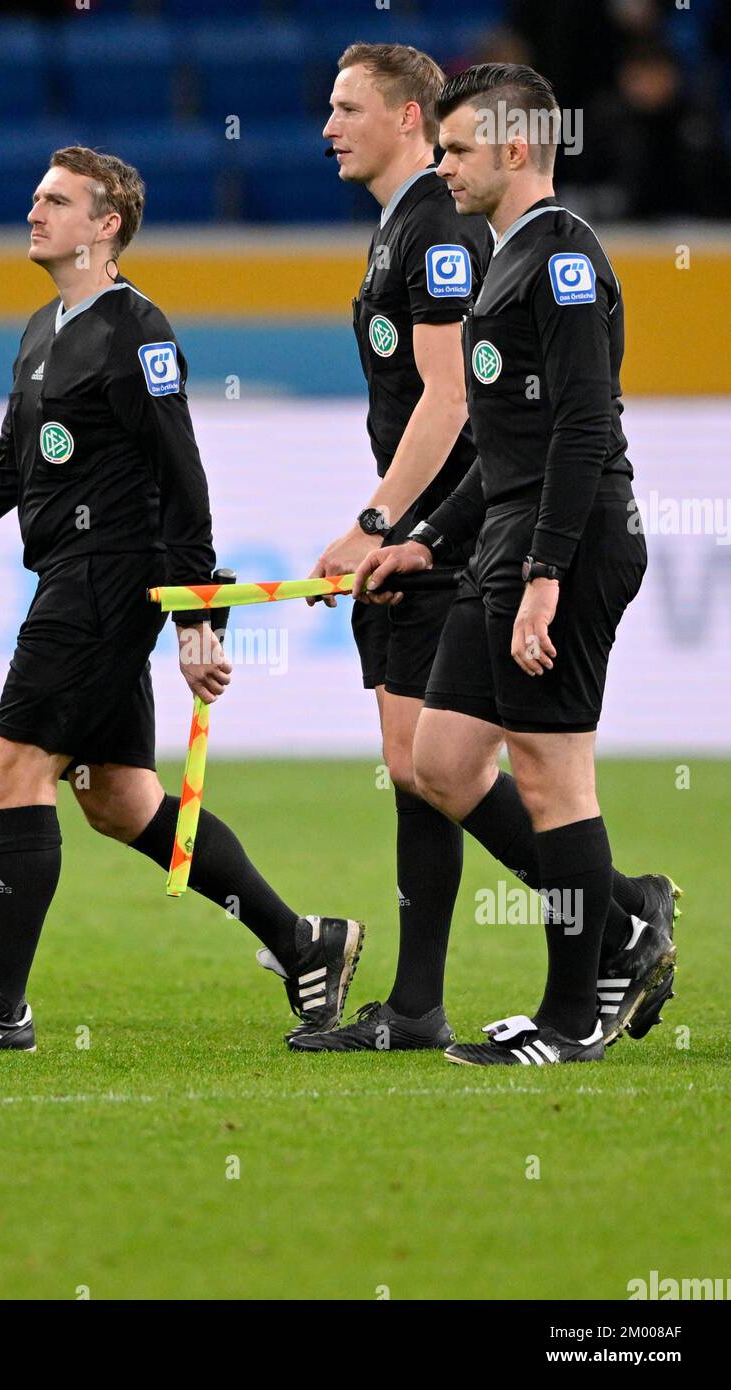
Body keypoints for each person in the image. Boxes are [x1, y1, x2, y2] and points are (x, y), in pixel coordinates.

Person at [0, 146, 364, 1053]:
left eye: (56, 200)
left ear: (105, 225)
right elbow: (6, 471)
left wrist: (200, 618)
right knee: (118, 796)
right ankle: (305, 942)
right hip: (74, 577)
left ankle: (2, 1007)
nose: (34, 212)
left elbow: (182, 480)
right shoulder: (42, 329)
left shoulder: (136, 331)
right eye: (35, 196)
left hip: (106, 582)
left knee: (12, 767)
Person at [353, 64, 679, 1067]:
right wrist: (423, 537)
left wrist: (545, 571)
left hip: (566, 543)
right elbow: (501, 451)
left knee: (550, 775)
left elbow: (584, 425)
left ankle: (570, 1016)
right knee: (441, 762)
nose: (441, 166)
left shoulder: (562, 256)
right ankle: (624, 918)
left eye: (456, 149)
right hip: (502, 536)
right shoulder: (502, 259)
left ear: (517, 148)